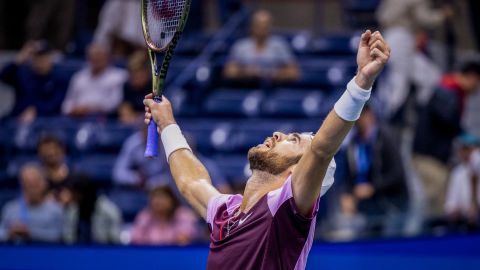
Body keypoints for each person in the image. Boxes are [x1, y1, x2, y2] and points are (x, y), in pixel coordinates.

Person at [143, 30, 390, 269]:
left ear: (297, 170)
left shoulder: (285, 208)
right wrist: (167, 124)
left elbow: (321, 150)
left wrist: (361, 83)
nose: (277, 134)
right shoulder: (227, 211)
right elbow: (191, 182)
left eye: (293, 140)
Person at [413, 61, 480, 221]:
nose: (476, 88)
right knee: (438, 209)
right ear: (471, 77)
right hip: (430, 159)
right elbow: (450, 122)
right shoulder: (447, 91)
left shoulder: (450, 92)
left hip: (434, 158)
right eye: (477, 82)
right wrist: (467, 137)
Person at [376, 0, 453, 119]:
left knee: (431, 76)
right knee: (398, 84)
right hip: (401, 37)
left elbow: (380, 14)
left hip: (391, 35)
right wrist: (443, 14)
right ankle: (384, 122)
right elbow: (425, 18)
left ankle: (421, 119)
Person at [340, 105, 409, 237]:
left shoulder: (386, 138)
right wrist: (347, 194)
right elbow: (349, 175)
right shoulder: (353, 143)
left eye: (360, 116)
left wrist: (372, 188)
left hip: (392, 205)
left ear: (369, 115)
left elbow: (397, 175)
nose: (357, 121)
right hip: (367, 207)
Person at [223, 10, 300, 83]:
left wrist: (272, 74)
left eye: (265, 25)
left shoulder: (279, 45)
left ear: (270, 26)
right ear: (252, 26)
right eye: (259, 25)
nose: (262, 29)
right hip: (244, 87)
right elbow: (229, 72)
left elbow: (294, 72)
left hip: (274, 88)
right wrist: (245, 72)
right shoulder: (241, 46)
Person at [0, 41, 68, 122]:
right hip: (18, 118)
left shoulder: (59, 77)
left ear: (50, 58)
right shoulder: (24, 74)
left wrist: (35, 110)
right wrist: (18, 60)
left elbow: (56, 103)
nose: (40, 61)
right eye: (37, 57)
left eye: (44, 57)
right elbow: (4, 76)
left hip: (46, 120)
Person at [0, 163, 63, 243]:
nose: (31, 189)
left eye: (34, 184)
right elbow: (1, 232)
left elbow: (58, 236)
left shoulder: (55, 210)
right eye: (27, 184)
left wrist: (30, 233)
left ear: (44, 184)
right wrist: (9, 233)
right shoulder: (10, 208)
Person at [61, 43, 128, 117]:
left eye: (99, 55)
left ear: (107, 57)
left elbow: (115, 103)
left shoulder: (119, 76)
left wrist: (89, 108)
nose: (96, 58)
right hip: (77, 119)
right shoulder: (79, 77)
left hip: (105, 120)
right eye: (93, 56)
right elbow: (66, 105)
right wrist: (73, 109)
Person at [63, 175, 123, 244]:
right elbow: (68, 239)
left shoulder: (109, 211)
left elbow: (115, 242)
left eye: (74, 193)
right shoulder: (72, 210)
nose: (70, 196)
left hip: (102, 253)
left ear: (82, 193)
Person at [130, 185, 198, 245]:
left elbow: (184, 240)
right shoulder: (144, 216)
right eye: (155, 197)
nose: (158, 201)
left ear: (172, 200)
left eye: (162, 197)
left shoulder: (183, 215)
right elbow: (136, 240)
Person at [445, 133, 480, 231]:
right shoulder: (457, 173)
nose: (465, 153)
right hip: (464, 222)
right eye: (462, 149)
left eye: (468, 149)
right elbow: (450, 206)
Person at [118, 51, 151, 125]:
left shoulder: (154, 86)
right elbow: (125, 109)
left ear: (146, 73)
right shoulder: (127, 86)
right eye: (132, 76)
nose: (134, 80)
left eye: (138, 76)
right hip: (135, 122)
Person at [37, 135, 71, 202]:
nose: (50, 153)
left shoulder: (74, 176)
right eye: (46, 150)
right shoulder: (36, 179)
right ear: (40, 154)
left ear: (62, 151)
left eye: (54, 149)